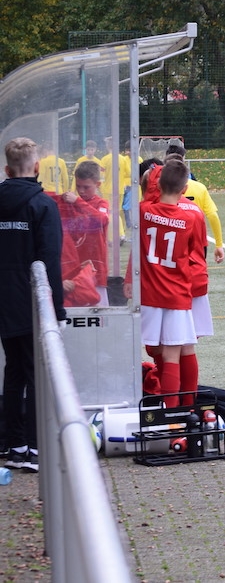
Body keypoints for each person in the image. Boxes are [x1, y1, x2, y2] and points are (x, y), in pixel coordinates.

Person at [1, 138, 66, 473]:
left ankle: (15, 446)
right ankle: (36, 448)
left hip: (4, 301)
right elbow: (50, 261)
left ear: (6, 169)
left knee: (14, 371)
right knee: (36, 373)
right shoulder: (43, 205)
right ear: (38, 167)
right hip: (30, 302)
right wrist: (58, 309)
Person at [138, 158, 203, 408]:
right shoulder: (189, 218)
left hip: (150, 293)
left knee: (156, 350)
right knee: (174, 353)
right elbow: (195, 252)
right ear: (184, 189)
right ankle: (179, 409)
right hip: (177, 294)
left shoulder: (143, 211)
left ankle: (168, 410)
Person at [53, 161, 110, 306]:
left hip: (95, 268)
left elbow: (102, 220)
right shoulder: (70, 204)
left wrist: (78, 201)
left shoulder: (101, 204)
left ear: (97, 184)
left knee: (98, 310)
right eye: (78, 186)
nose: (81, 191)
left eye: (86, 187)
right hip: (75, 267)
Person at [166, 144, 225, 265]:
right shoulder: (199, 187)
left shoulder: (161, 189)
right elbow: (213, 215)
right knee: (197, 272)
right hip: (198, 241)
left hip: (171, 239)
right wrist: (219, 244)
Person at [99, 136, 132, 241]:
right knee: (116, 213)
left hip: (107, 190)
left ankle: (111, 236)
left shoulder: (104, 159)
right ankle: (121, 234)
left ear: (107, 146)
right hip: (119, 190)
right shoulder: (122, 159)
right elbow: (129, 173)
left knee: (109, 212)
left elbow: (101, 176)